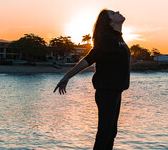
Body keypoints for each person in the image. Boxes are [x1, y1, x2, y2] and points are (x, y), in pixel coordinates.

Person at [54, 8, 130, 150]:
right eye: (113, 13)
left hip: (115, 91)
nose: (118, 11)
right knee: (104, 133)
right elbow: (89, 59)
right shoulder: (107, 38)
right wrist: (66, 76)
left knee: (111, 133)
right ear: (110, 21)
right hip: (106, 92)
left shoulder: (118, 37)